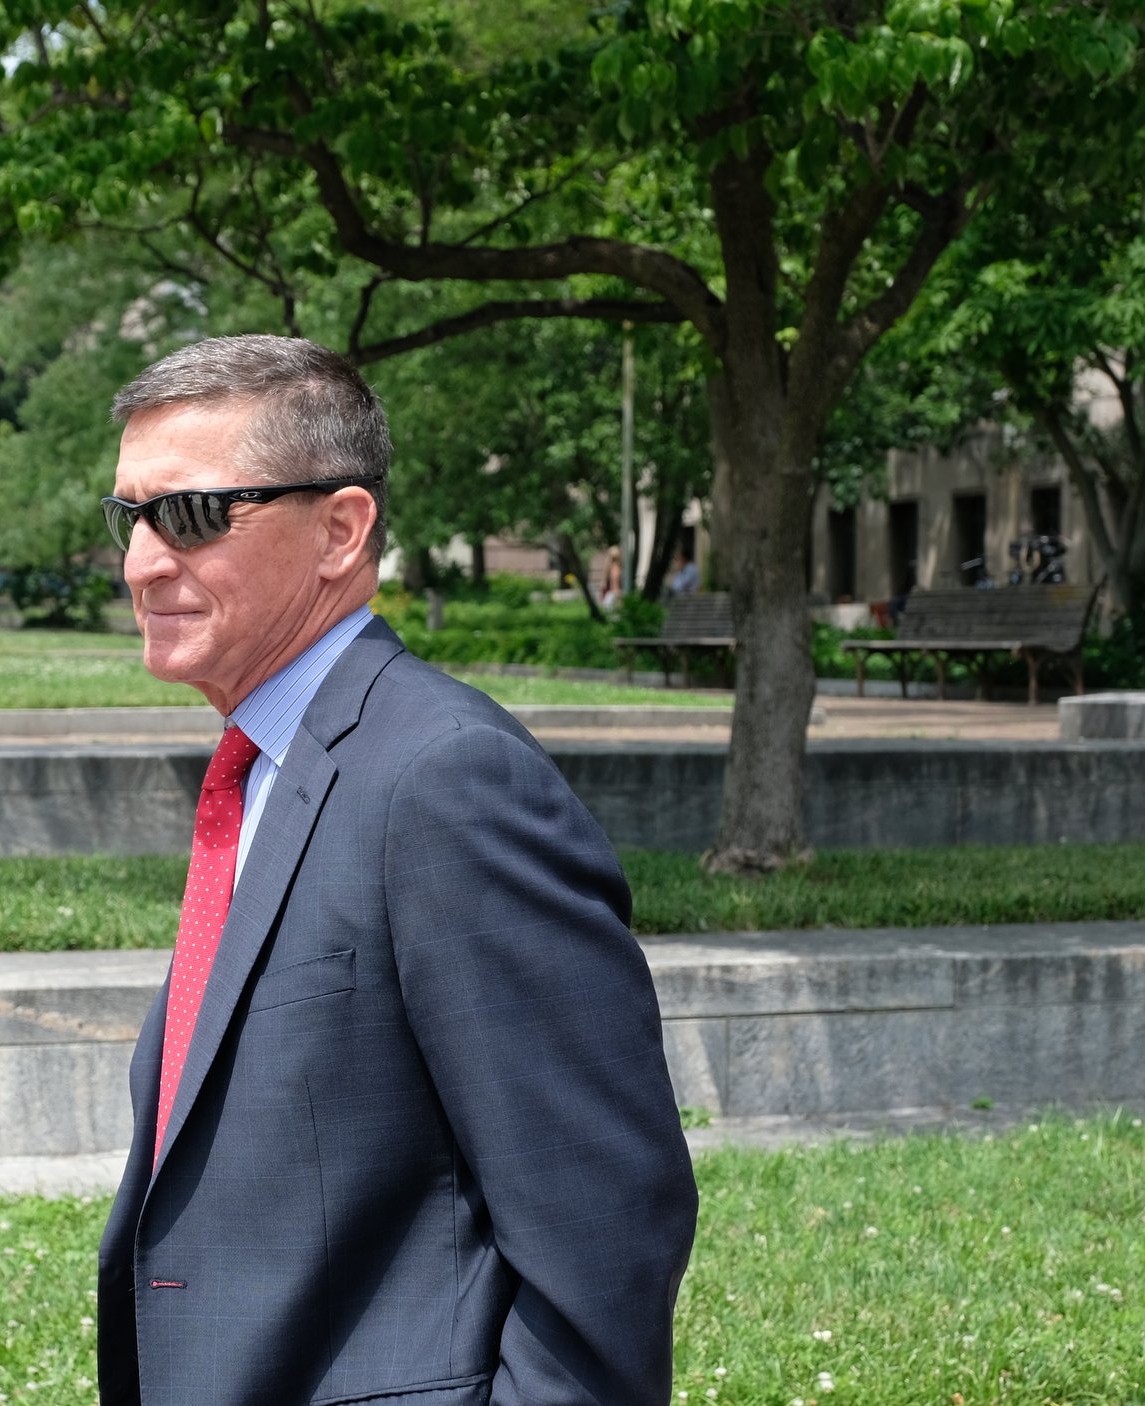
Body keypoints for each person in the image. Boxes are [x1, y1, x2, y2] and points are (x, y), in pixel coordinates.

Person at [97, 335, 696, 1406]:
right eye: (128, 517)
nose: (142, 561)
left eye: (187, 514)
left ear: (339, 529)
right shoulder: (270, 768)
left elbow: (601, 1225)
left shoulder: (444, 780)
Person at [599, 542, 623, 607]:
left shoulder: (608, 568)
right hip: (614, 595)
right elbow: (615, 586)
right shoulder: (616, 569)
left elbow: (604, 585)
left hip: (610, 596)